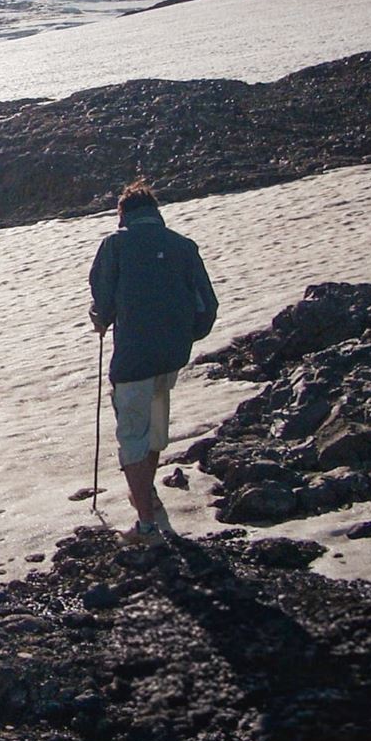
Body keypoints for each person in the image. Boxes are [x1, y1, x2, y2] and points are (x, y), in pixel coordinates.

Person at [89, 179, 218, 543]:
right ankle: (147, 494)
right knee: (156, 426)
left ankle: (145, 524)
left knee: (133, 433)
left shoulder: (115, 246)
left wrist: (101, 318)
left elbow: (103, 298)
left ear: (123, 214)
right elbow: (207, 306)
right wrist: (182, 335)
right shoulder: (183, 246)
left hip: (133, 358)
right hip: (171, 356)